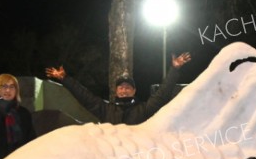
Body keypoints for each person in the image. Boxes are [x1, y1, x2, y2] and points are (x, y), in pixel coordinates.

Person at [44, 52, 192, 125]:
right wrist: (65, 79)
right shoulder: (106, 109)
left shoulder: (144, 109)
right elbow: (85, 97)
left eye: (128, 87)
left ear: (134, 91)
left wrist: (174, 69)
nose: (124, 90)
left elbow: (162, 94)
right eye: (121, 87)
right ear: (116, 91)